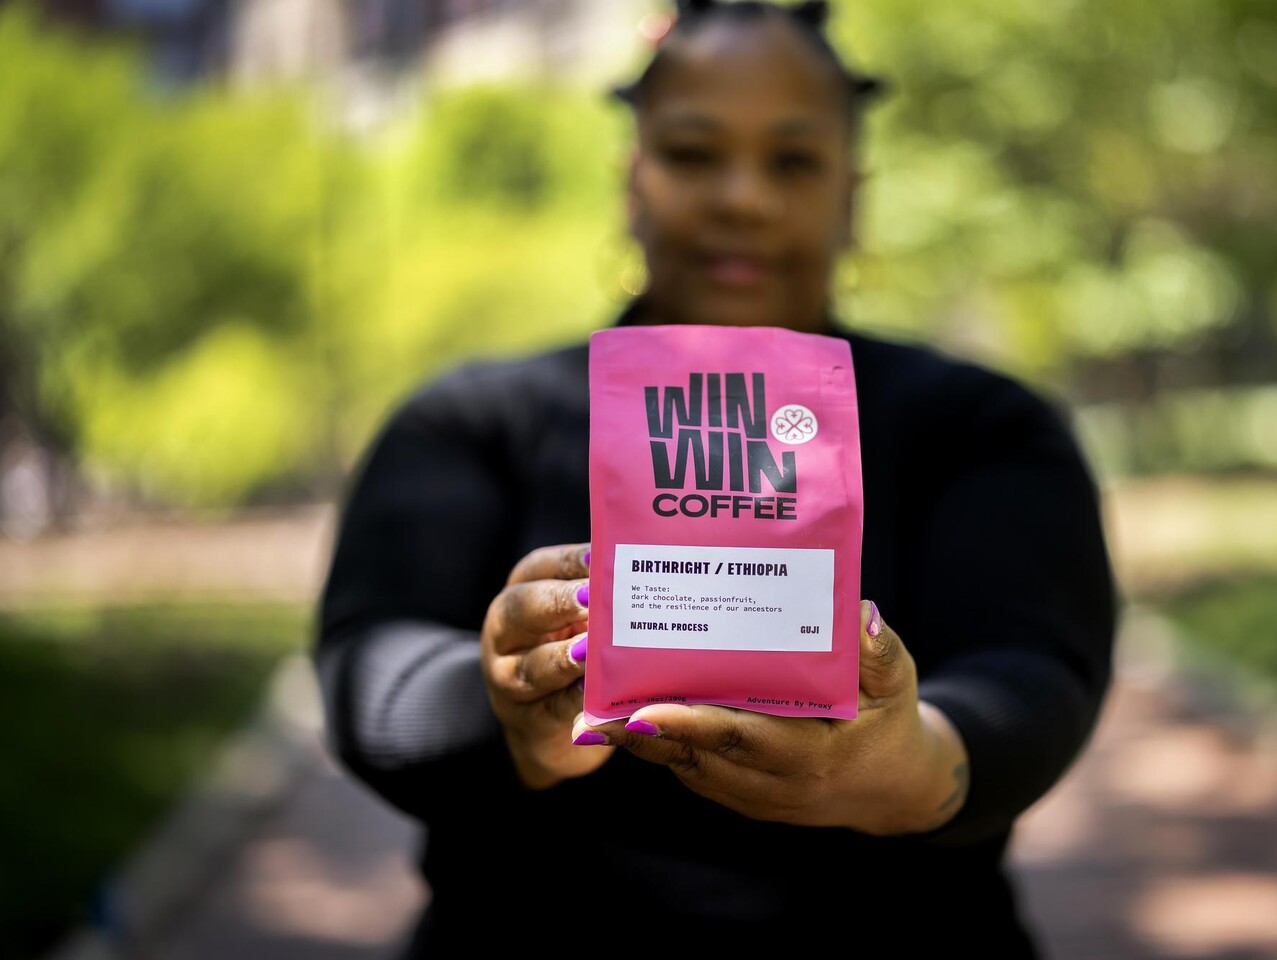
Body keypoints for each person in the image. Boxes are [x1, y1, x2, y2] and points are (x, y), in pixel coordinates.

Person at [314, 0, 1118, 953]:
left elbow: (1035, 674)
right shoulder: (468, 423)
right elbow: (372, 671)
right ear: (632, 182)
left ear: (852, 197)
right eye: (695, 154)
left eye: (792, 160)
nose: (741, 197)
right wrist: (507, 707)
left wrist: (915, 764)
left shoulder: (982, 429)